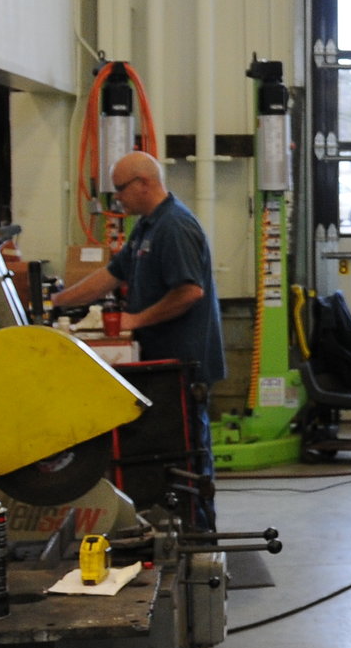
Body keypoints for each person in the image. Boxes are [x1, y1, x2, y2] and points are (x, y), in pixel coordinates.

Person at [50, 152, 226, 524]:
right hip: (160, 361)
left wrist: (136, 319)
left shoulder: (175, 226)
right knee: (165, 449)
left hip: (184, 361)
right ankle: (168, 525)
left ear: (144, 183)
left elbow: (189, 291)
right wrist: (55, 302)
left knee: (188, 452)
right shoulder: (147, 227)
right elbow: (112, 274)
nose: (118, 200)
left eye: (121, 190)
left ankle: (199, 532)